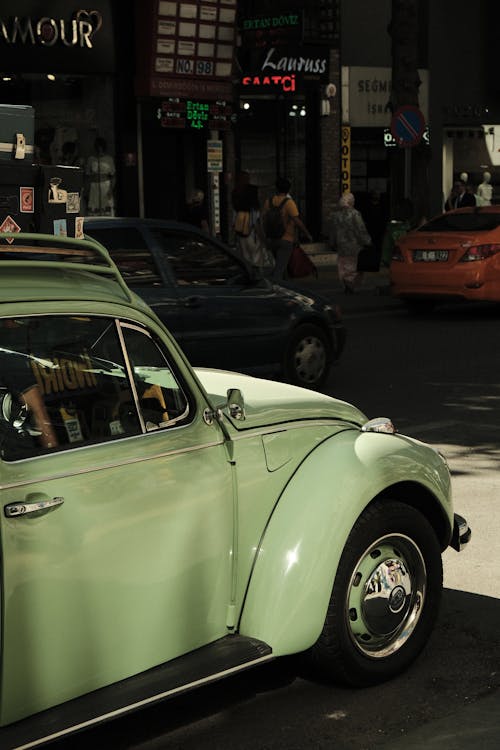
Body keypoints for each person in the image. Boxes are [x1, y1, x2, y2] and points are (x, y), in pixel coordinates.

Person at [262, 177, 312, 280]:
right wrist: (307, 234)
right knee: (280, 268)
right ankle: (275, 287)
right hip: (286, 239)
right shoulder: (289, 203)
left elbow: (263, 219)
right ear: (289, 189)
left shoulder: (269, 201)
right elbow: (297, 221)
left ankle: (284, 286)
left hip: (272, 239)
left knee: (281, 265)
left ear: (276, 188)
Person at [329, 191, 371, 293]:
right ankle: (351, 283)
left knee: (343, 264)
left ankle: (346, 282)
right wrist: (367, 241)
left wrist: (332, 242)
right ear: (352, 202)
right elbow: (361, 229)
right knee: (354, 265)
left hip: (341, 245)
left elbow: (333, 231)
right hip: (354, 245)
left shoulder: (336, 216)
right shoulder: (355, 214)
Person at [231, 171, 267, 268]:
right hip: (252, 233)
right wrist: (263, 236)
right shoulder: (253, 206)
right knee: (256, 259)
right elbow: (256, 221)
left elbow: (233, 220)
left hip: (240, 232)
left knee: (245, 258)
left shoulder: (235, 194)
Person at [85, 137, 116, 216]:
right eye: (98, 147)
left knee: (106, 207)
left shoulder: (109, 159)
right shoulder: (91, 159)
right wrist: (87, 190)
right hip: (94, 187)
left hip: (105, 185)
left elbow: (113, 175)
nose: (99, 150)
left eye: (101, 147)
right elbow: (88, 176)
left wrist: (111, 189)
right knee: (94, 207)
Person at [361, 190, 388, 271]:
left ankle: (376, 262)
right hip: (370, 229)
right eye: (376, 195)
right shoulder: (367, 206)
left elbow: (384, 217)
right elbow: (364, 217)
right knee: (370, 247)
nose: (377, 197)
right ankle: (371, 263)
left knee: (378, 246)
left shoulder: (382, 206)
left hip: (379, 229)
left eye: (378, 195)